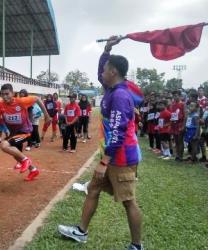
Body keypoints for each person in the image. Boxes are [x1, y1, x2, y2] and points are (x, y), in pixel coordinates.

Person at [58, 37, 143, 250]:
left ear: (113, 72)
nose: (101, 72)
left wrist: (104, 161)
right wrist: (107, 50)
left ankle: (137, 246)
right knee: (93, 189)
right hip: (113, 154)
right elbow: (99, 72)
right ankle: (81, 231)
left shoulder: (120, 95)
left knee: (128, 201)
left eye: (105, 68)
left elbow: (118, 131)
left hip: (121, 157)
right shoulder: (112, 88)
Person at [0, 83, 50, 181]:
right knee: (16, 155)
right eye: (2, 94)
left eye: (7, 94)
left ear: (13, 93)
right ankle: (33, 170)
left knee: (4, 145)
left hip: (25, 132)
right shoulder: (0, 104)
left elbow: (37, 99)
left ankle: (26, 160)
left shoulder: (21, 101)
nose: (4, 96)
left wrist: (46, 115)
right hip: (14, 133)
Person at [169, 90, 186, 161]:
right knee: (175, 141)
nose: (175, 97)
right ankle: (177, 155)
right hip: (174, 125)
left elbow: (185, 116)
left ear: (180, 96)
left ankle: (181, 156)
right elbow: (172, 114)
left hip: (180, 124)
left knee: (180, 141)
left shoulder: (183, 104)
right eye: (174, 96)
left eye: (176, 95)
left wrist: (183, 126)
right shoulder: (172, 104)